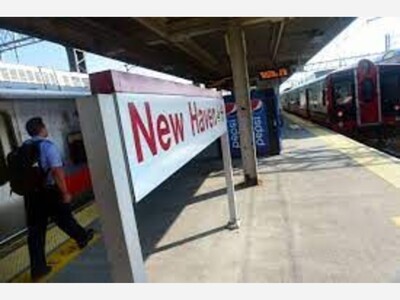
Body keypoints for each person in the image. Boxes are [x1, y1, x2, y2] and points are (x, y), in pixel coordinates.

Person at [23, 117, 94, 280]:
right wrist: (65, 192)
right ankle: (82, 238)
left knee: (35, 232)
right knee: (64, 219)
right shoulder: (47, 147)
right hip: (48, 192)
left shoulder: (24, 147)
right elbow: (57, 172)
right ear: (41, 128)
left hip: (31, 197)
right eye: (45, 126)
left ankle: (38, 268)